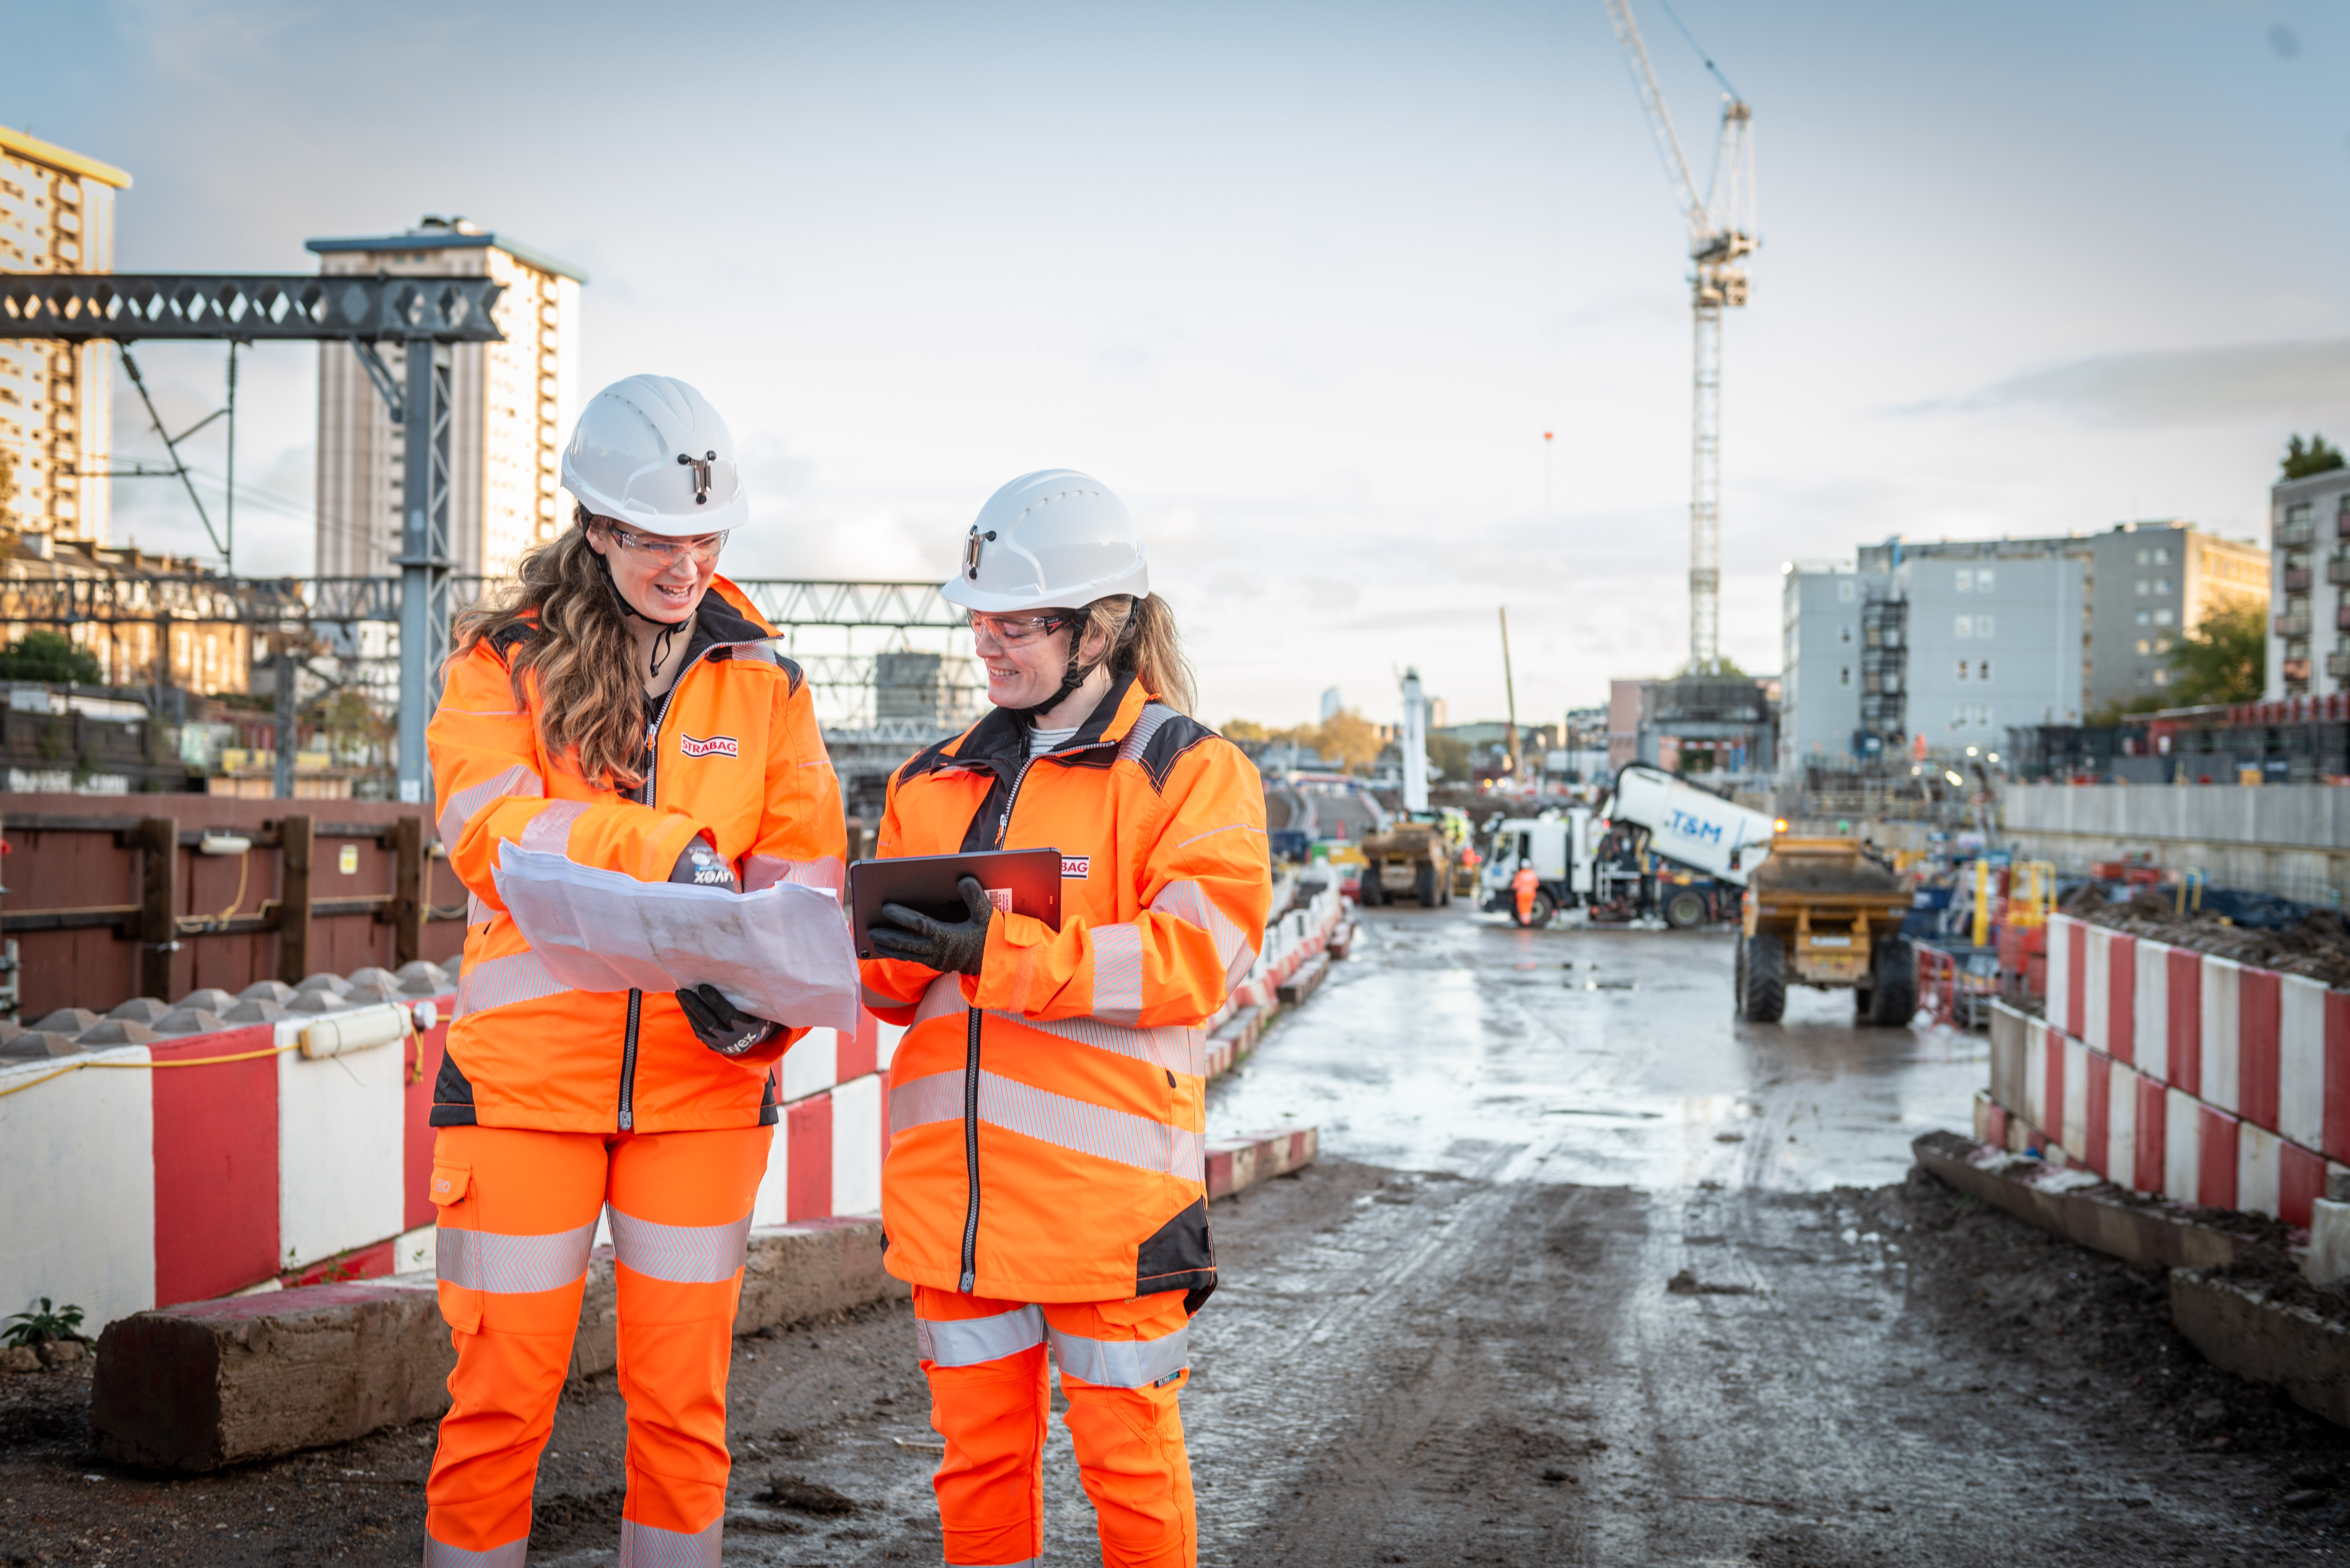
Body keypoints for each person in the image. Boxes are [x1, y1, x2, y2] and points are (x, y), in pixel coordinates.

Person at [421, 374, 846, 1567]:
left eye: (706, 537)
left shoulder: (767, 685)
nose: (685, 563)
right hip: (521, 1094)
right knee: (499, 1402)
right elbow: (492, 836)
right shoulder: (498, 665)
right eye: (657, 538)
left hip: (704, 1093)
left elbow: (804, 889)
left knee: (682, 1409)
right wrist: (678, 851)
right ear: (597, 528)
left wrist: (768, 1017)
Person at [860, 470, 1271, 1568]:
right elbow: (898, 996)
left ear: (1099, 627)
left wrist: (999, 949)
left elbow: (1197, 960)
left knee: (1129, 1479)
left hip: (1109, 1216)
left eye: (1016, 624)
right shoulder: (931, 779)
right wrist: (864, 954)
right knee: (978, 1479)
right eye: (980, 619)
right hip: (960, 1216)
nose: (987, 644)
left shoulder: (1191, 775)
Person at [1513, 858, 1541, 926]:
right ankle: (1528, 921)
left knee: (1523, 908)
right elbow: (1537, 885)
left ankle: (1525, 923)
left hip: (1522, 895)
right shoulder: (1532, 874)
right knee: (1528, 908)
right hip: (1531, 894)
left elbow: (1516, 886)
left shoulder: (1520, 874)